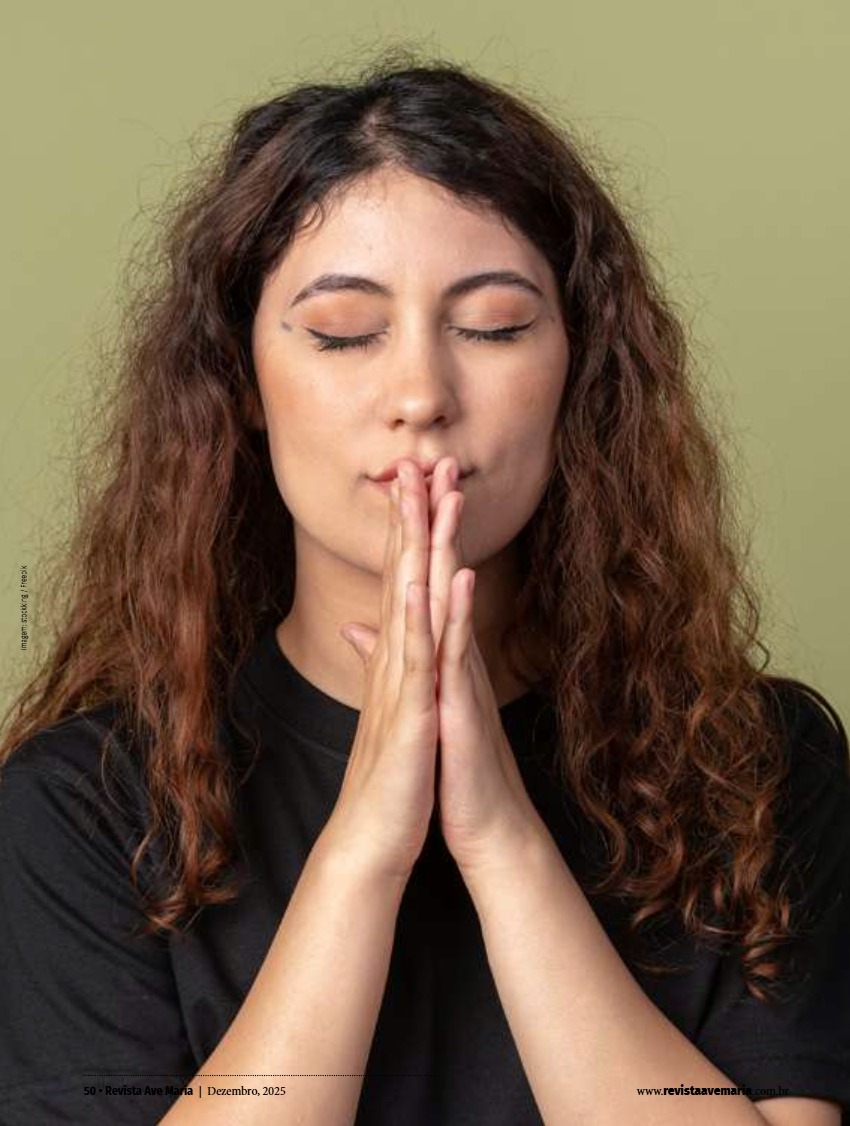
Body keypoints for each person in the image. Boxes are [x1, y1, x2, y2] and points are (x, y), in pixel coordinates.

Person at [0, 50, 848, 1126]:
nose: (420, 395)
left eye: (492, 325)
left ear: (578, 369)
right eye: (344, 333)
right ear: (242, 382)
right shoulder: (88, 804)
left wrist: (503, 840)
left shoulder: (751, 769)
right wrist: (365, 848)